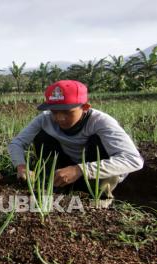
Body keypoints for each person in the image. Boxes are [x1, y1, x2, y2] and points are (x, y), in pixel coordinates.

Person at [8, 80, 143, 204]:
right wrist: (21, 166)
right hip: (66, 167)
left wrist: (80, 169)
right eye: (54, 111)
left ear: (85, 107)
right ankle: (53, 186)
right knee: (42, 136)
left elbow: (133, 159)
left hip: (95, 172)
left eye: (67, 112)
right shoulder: (45, 119)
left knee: (98, 141)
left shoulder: (101, 122)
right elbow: (17, 143)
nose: (60, 118)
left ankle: (100, 197)